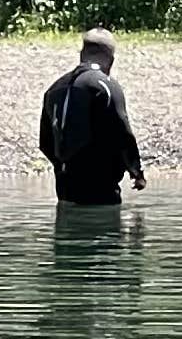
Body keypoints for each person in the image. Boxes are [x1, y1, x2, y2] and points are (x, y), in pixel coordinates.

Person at [42, 27, 147, 206]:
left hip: (65, 189)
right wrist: (135, 170)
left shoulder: (54, 89)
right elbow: (122, 131)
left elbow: (45, 142)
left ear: (82, 54)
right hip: (101, 188)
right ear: (111, 60)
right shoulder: (104, 86)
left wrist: (62, 166)